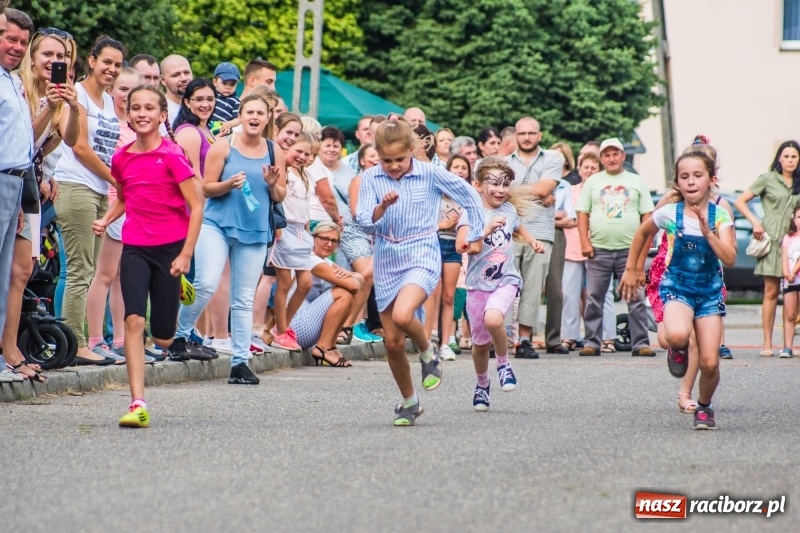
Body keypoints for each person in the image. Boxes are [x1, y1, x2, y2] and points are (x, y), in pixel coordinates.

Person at [355, 116, 485, 426]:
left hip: (422, 252)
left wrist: (475, 231)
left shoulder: (430, 173)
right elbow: (362, 219)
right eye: (387, 160)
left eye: (400, 159)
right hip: (386, 256)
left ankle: (429, 351)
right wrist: (382, 208)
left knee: (403, 316)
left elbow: (469, 195)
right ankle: (410, 403)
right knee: (393, 341)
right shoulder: (371, 178)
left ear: (412, 150)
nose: (394, 165)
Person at [92, 84, 203, 428]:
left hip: (172, 250)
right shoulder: (122, 157)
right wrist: (107, 218)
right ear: (129, 114)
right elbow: (126, 197)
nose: (141, 113)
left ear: (161, 115)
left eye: (149, 108)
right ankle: (137, 402)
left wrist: (186, 254)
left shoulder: (172, 155)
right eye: (135, 108)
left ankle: (178, 285)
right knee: (133, 320)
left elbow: (197, 205)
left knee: (164, 337)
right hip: (136, 246)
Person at [171, 94, 284, 384]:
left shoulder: (274, 151)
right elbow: (207, 188)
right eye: (250, 112)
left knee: (244, 299)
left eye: (261, 112)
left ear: (268, 118)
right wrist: (228, 184)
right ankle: (180, 335)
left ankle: (240, 363)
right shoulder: (223, 145)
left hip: (255, 230)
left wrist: (273, 186)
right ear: (241, 116)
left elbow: (281, 195)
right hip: (217, 224)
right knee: (206, 282)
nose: (255, 117)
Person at [621, 150, 736, 430]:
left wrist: (708, 232)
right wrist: (632, 269)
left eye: (698, 175)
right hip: (677, 287)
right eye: (684, 177)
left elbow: (730, 258)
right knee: (676, 334)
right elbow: (641, 233)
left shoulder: (721, 216)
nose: (691, 181)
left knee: (710, 362)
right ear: (677, 182)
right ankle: (678, 349)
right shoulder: (669, 213)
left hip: (709, 292)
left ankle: (705, 407)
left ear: (711, 179)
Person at [53, 36, 125, 365]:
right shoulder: (77, 94)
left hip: (97, 191)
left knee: (87, 269)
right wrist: (117, 179)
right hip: (75, 185)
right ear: (92, 61)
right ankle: (74, 344)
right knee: (79, 270)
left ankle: (68, 341)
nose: (111, 69)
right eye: (106, 61)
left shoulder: (109, 102)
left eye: (118, 64)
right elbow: (80, 148)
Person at [456, 157, 545, 411]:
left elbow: (517, 226)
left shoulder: (508, 209)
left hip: (505, 279)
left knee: (494, 319)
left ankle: (504, 364)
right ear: (478, 185)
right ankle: (482, 385)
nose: (500, 189)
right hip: (477, 285)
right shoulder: (469, 214)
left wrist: (532, 241)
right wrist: (485, 229)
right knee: (480, 345)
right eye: (494, 183)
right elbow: (463, 246)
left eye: (505, 184)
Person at [576, 138, 655, 357]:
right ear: (601, 158)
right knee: (593, 298)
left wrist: (643, 248)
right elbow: (582, 212)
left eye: (615, 154)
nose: (611, 158)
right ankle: (592, 342)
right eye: (607, 155)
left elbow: (647, 216)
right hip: (598, 250)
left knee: (636, 297)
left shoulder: (636, 181)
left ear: (622, 156)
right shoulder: (593, 182)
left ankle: (640, 343)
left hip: (630, 251)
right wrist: (584, 240)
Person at [85, 67, 143, 362]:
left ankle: (120, 339)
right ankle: (95, 338)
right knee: (104, 274)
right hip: (110, 204)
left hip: (132, 209)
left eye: (134, 91)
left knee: (123, 276)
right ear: (111, 92)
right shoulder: (109, 125)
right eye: (123, 90)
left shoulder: (137, 128)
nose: (128, 96)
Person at [505, 116, 564, 358]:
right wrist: (538, 193)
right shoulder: (504, 163)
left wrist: (512, 191)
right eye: (522, 133)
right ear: (515, 137)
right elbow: (538, 191)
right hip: (508, 230)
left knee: (532, 288)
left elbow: (543, 189)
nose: (527, 137)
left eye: (531, 133)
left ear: (540, 135)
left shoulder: (553, 158)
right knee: (504, 285)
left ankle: (525, 341)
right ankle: (501, 338)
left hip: (540, 231)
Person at [735, 141, 800, 357]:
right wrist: (756, 222)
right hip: (771, 239)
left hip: (795, 242)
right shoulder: (768, 179)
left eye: (794, 156)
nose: (790, 160)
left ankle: (789, 345)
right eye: (786, 156)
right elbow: (741, 201)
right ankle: (767, 344)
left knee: (795, 293)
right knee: (771, 292)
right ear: (779, 158)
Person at [0, 7, 37, 381]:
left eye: (23, 42)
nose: (17, 47)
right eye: (11, 38)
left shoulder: (12, 80)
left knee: (2, 274)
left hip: (15, 182)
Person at [560, 153, 617, 353]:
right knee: (569, 293)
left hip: (599, 246)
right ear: (579, 168)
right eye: (586, 167)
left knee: (602, 294)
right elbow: (563, 214)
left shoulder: (605, 191)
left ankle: (608, 337)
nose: (589, 171)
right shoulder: (570, 190)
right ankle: (570, 336)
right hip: (572, 247)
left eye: (594, 167)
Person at [289, 222, 364, 365]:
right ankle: (323, 347)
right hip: (296, 328)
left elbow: (360, 277)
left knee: (346, 294)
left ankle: (330, 346)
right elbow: (354, 285)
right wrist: (351, 277)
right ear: (313, 238)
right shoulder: (311, 259)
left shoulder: (324, 261)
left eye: (334, 241)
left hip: (307, 326)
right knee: (343, 292)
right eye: (324, 239)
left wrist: (350, 274)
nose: (329, 244)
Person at [269, 131, 316, 351]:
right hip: (285, 229)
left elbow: (304, 207)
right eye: (299, 151)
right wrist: (278, 231)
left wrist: (307, 232)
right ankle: (281, 330)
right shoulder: (283, 172)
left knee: (305, 283)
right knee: (285, 283)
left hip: (301, 233)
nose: (302, 156)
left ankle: (281, 325)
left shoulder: (304, 175)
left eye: (308, 154)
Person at [427, 154, 474, 361]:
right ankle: (427, 341)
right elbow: (424, 223)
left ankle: (445, 343)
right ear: (448, 170)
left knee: (449, 296)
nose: (460, 170)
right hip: (435, 242)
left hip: (455, 246)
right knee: (433, 295)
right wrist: (444, 225)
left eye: (464, 167)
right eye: (456, 166)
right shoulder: (437, 192)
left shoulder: (469, 196)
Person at [781, 206, 800, 358]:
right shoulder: (788, 237)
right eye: (799, 217)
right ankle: (788, 346)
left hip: (796, 275)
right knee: (790, 314)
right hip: (790, 281)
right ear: (794, 219)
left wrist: (793, 271)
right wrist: (786, 272)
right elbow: (784, 256)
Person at [159, 54, 192, 126]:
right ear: (163, 80)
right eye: (176, 75)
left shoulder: (199, 106)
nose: (184, 78)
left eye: (186, 73)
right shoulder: (160, 111)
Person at [210, 61, 241, 131]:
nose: (228, 87)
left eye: (232, 84)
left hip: (223, 131)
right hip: (205, 129)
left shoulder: (236, 101)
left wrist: (229, 124)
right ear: (215, 82)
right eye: (224, 83)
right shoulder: (210, 94)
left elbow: (239, 119)